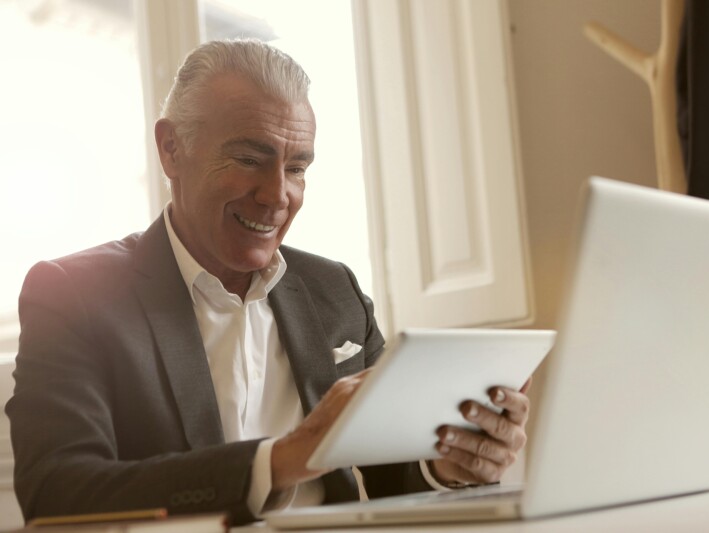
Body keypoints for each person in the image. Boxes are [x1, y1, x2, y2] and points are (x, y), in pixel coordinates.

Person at [5, 39, 530, 525]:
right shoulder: (72, 293)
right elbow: (57, 491)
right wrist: (281, 460)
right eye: (249, 159)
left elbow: (397, 480)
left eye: (297, 167)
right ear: (171, 149)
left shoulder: (336, 291)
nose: (277, 195)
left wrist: (452, 468)